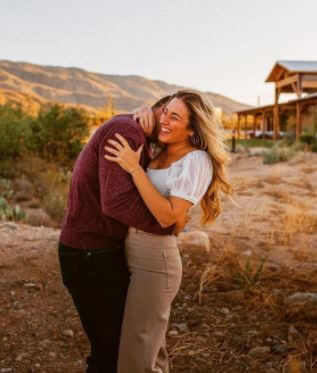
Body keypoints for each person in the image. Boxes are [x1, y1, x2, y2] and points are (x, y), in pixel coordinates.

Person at [104, 89, 232, 373]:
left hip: (156, 261)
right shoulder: (160, 152)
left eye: (176, 117)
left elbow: (168, 217)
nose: (165, 120)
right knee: (151, 349)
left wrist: (134, 170)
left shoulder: (195, 160)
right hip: (133, 250)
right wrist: (143, 110)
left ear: (192, 129)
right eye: (165, 112)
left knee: (137, 354)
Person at [58, 95, 185, 373]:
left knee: (119, 346)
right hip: (90, 253)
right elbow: (115, 201)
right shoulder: (127, 130)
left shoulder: (133, 129)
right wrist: (165, 225)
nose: (168, 124)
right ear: (159, 111)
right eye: (168, 115)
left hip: (95, 250)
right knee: (111, 352)